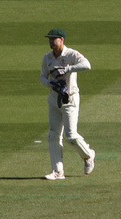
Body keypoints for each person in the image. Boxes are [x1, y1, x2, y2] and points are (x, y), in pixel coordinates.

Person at [40, 28, 96, 180]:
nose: (51, 42)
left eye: (54, 39)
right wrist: (50, 84)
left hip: (69, 99)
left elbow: (87, 65)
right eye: (50, 39)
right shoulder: (48, 57)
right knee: (53, 135)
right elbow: (42, 77)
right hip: (53, 100)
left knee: (70, 136)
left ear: (62, 40)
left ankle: (89, 155)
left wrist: (68, 68)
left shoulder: (71, 54)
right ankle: (58, 171)